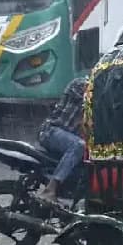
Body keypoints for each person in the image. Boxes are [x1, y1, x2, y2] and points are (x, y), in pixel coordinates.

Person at [35, 75, 87, 204]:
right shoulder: (80, 84)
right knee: (79, 145)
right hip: (51, 131)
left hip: (65, 137)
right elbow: (90, 95)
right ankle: (50, 189)